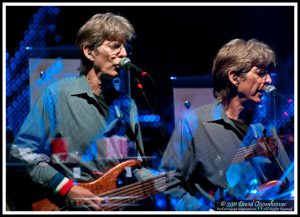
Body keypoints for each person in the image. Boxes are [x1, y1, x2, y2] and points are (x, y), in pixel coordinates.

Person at [9, 12, 151, 211]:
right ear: (89, 52)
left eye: (126, 48)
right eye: (115, 46)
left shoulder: (127, 105)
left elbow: (137, 166)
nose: (124, 54)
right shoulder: (57, 95)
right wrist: (67, 187)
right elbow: (23, 151)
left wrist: (169, 181)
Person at [159, 39, 294, 211]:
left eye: (267, 73)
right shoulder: (194, 123)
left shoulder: (264, 125)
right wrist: (201, 210)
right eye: (261, 73)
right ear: (235, 77)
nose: (268, 80)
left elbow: (288, 181)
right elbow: (167, 182)